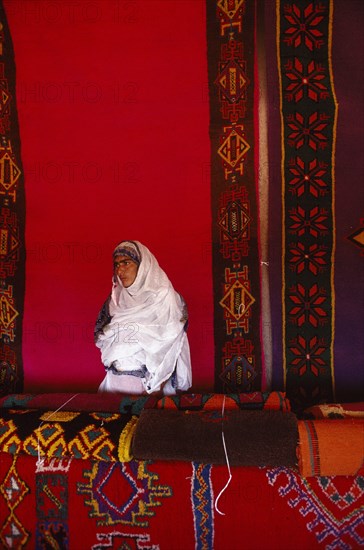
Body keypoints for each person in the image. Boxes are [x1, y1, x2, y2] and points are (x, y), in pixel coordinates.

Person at [95, 240, 192, 395]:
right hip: (113, 387)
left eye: (126, 263)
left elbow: (171, 343)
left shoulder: (163, 298)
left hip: (152, 388)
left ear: (143, 265)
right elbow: (104, 336)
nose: (120, 270)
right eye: (117, 265)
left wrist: (156, 390)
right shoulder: (116, 300)